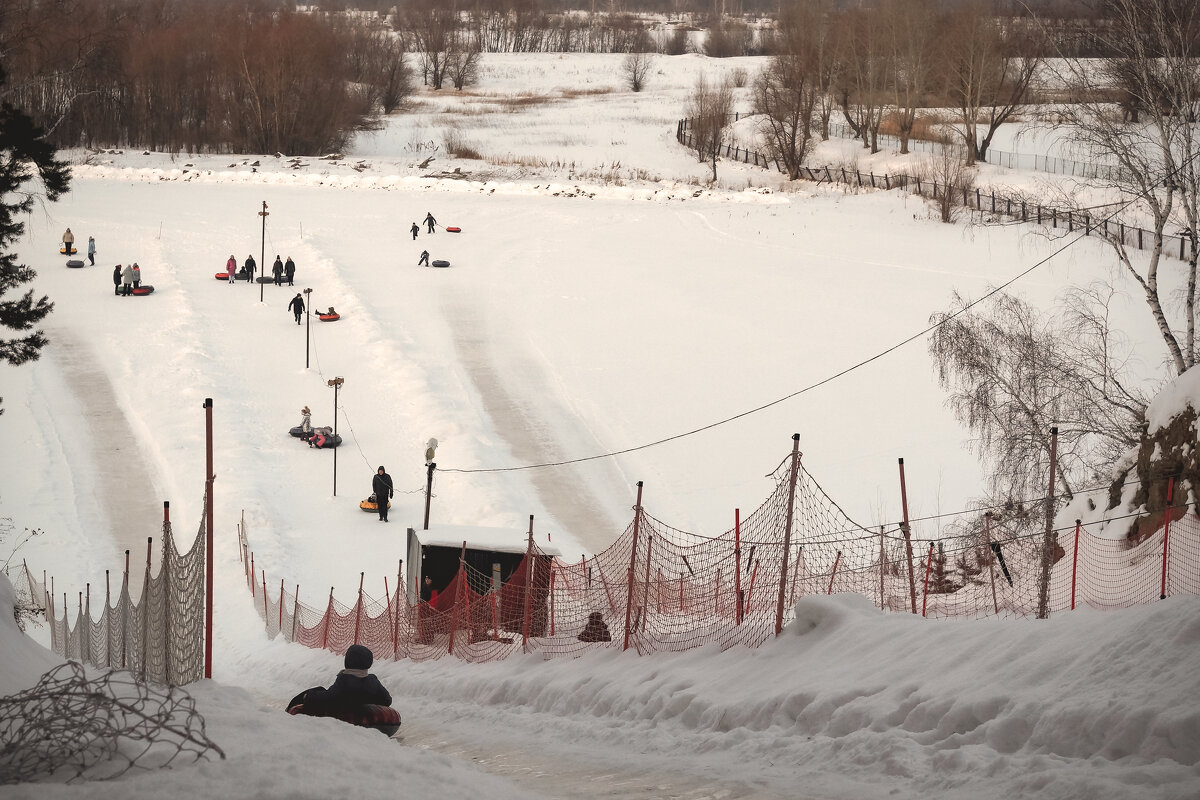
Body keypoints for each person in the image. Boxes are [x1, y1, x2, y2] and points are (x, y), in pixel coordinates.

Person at [287, 644, 391, 715]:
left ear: (348, 661)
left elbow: (330, 697)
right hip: (362, 707)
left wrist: (308, 697)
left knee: (316, 691)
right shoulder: (373, 681)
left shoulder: (346, 680)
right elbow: (387, 700)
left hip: (343, 709)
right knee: (320, 689)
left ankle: (287, 713)